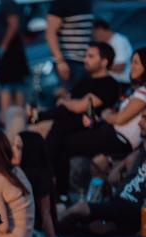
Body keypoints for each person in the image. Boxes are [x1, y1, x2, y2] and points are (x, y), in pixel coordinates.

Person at [39, 42, 122, 198]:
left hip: (89, 128)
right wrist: (66, 101)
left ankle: (52, 184)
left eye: (91, 56)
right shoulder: (85, 80)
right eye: (85, 55)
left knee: (61, 130)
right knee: (60, 127)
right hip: (68, 124)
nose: (85, 60)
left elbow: (81, 106)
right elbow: (70, 101)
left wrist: (66, 102)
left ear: (104, 62)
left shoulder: (109, 84)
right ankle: (60, 195)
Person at [58, 49, 146, 192]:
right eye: (131, 62)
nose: (132, 66)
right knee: (68, 133)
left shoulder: (143, 93)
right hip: (111, 134)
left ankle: (62, 194)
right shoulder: (138, 91)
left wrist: (107, 116)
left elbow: (120, 118)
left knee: (65, 142)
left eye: (136, 63)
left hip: (119, 139)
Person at [60, 112, 146, 235]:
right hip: (119, 200)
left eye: (145, 119)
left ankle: (49, 228)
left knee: (81, 208)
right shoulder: (142, 148)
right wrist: (119, 167)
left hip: (132, 207)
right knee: (92, 226)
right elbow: (133, 155)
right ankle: (55, 232)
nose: (139, 122)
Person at [12, 130, 82, 237]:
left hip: (32, 232)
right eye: (13, 145)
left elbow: (46, 214)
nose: (13, 150)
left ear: (29, 152)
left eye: (18, 147)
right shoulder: (13, 171)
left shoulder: (39, 177)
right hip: (17, 230)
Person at [0, 0, 29, 127]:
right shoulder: (7, 4)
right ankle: (13, 117)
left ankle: (6, 117)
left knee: (7, 84)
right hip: (12, 52)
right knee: (14, 85)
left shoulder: (8, 4)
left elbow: (14, 24)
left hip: (10, 53)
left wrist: (3, 45)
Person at [46, 0, 94, 91]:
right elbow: (50, 34)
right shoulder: (61, 3)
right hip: (69, 62)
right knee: (69, 97)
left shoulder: (86, 3)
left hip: (85, 61)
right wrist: (60, 61)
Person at [92, 19, 133, 86]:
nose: (94, 37)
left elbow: (120, 67)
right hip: (108, 81)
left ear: (100, 29)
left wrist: (98, 66)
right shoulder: (105, 43)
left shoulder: (119, 41)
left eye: (94, 33)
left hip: (121, 83)